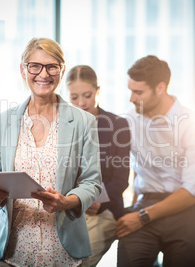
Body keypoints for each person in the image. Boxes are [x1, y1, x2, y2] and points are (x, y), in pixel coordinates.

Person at [0, 38, 102, 267]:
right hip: (13, 252)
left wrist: (67, 202)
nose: (43, 74)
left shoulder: (84, 122)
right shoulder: (2, 122)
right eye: (34, 66)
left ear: (62, 70)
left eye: (51, 66)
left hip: (64, 253)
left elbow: (92, 182)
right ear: (22, 69)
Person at [116, 55, 195, 266]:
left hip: (187, 211)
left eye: (138, 92)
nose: (131, 98)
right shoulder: (130, 120)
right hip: (146, 203)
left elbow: (192, 190)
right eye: (130, 90)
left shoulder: (193, 124)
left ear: (160, 88)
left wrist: (141, 216)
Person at [66, 65, 131, 266]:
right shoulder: (63, 126)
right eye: (74, 97)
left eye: (87, 95)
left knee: (79, 261)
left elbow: (120, 180)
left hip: (103, 208)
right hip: (69, 209)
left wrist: (95, 201)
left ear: (98, 91)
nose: (82, 103)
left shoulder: (117, 125)